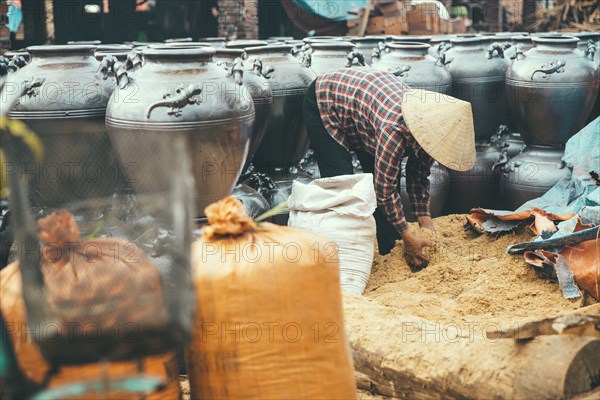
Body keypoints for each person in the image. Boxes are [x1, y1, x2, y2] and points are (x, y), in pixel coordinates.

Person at [303, 68, 475, 270]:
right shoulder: (393, 131)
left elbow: (418, 176)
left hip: (364, 112)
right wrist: (407, 234)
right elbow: (384, 192)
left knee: (379, 184)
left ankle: (390, 252)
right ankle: (346, 261)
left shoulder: (431, 132)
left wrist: (425, 221)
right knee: (344, 188)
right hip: (326, 100)